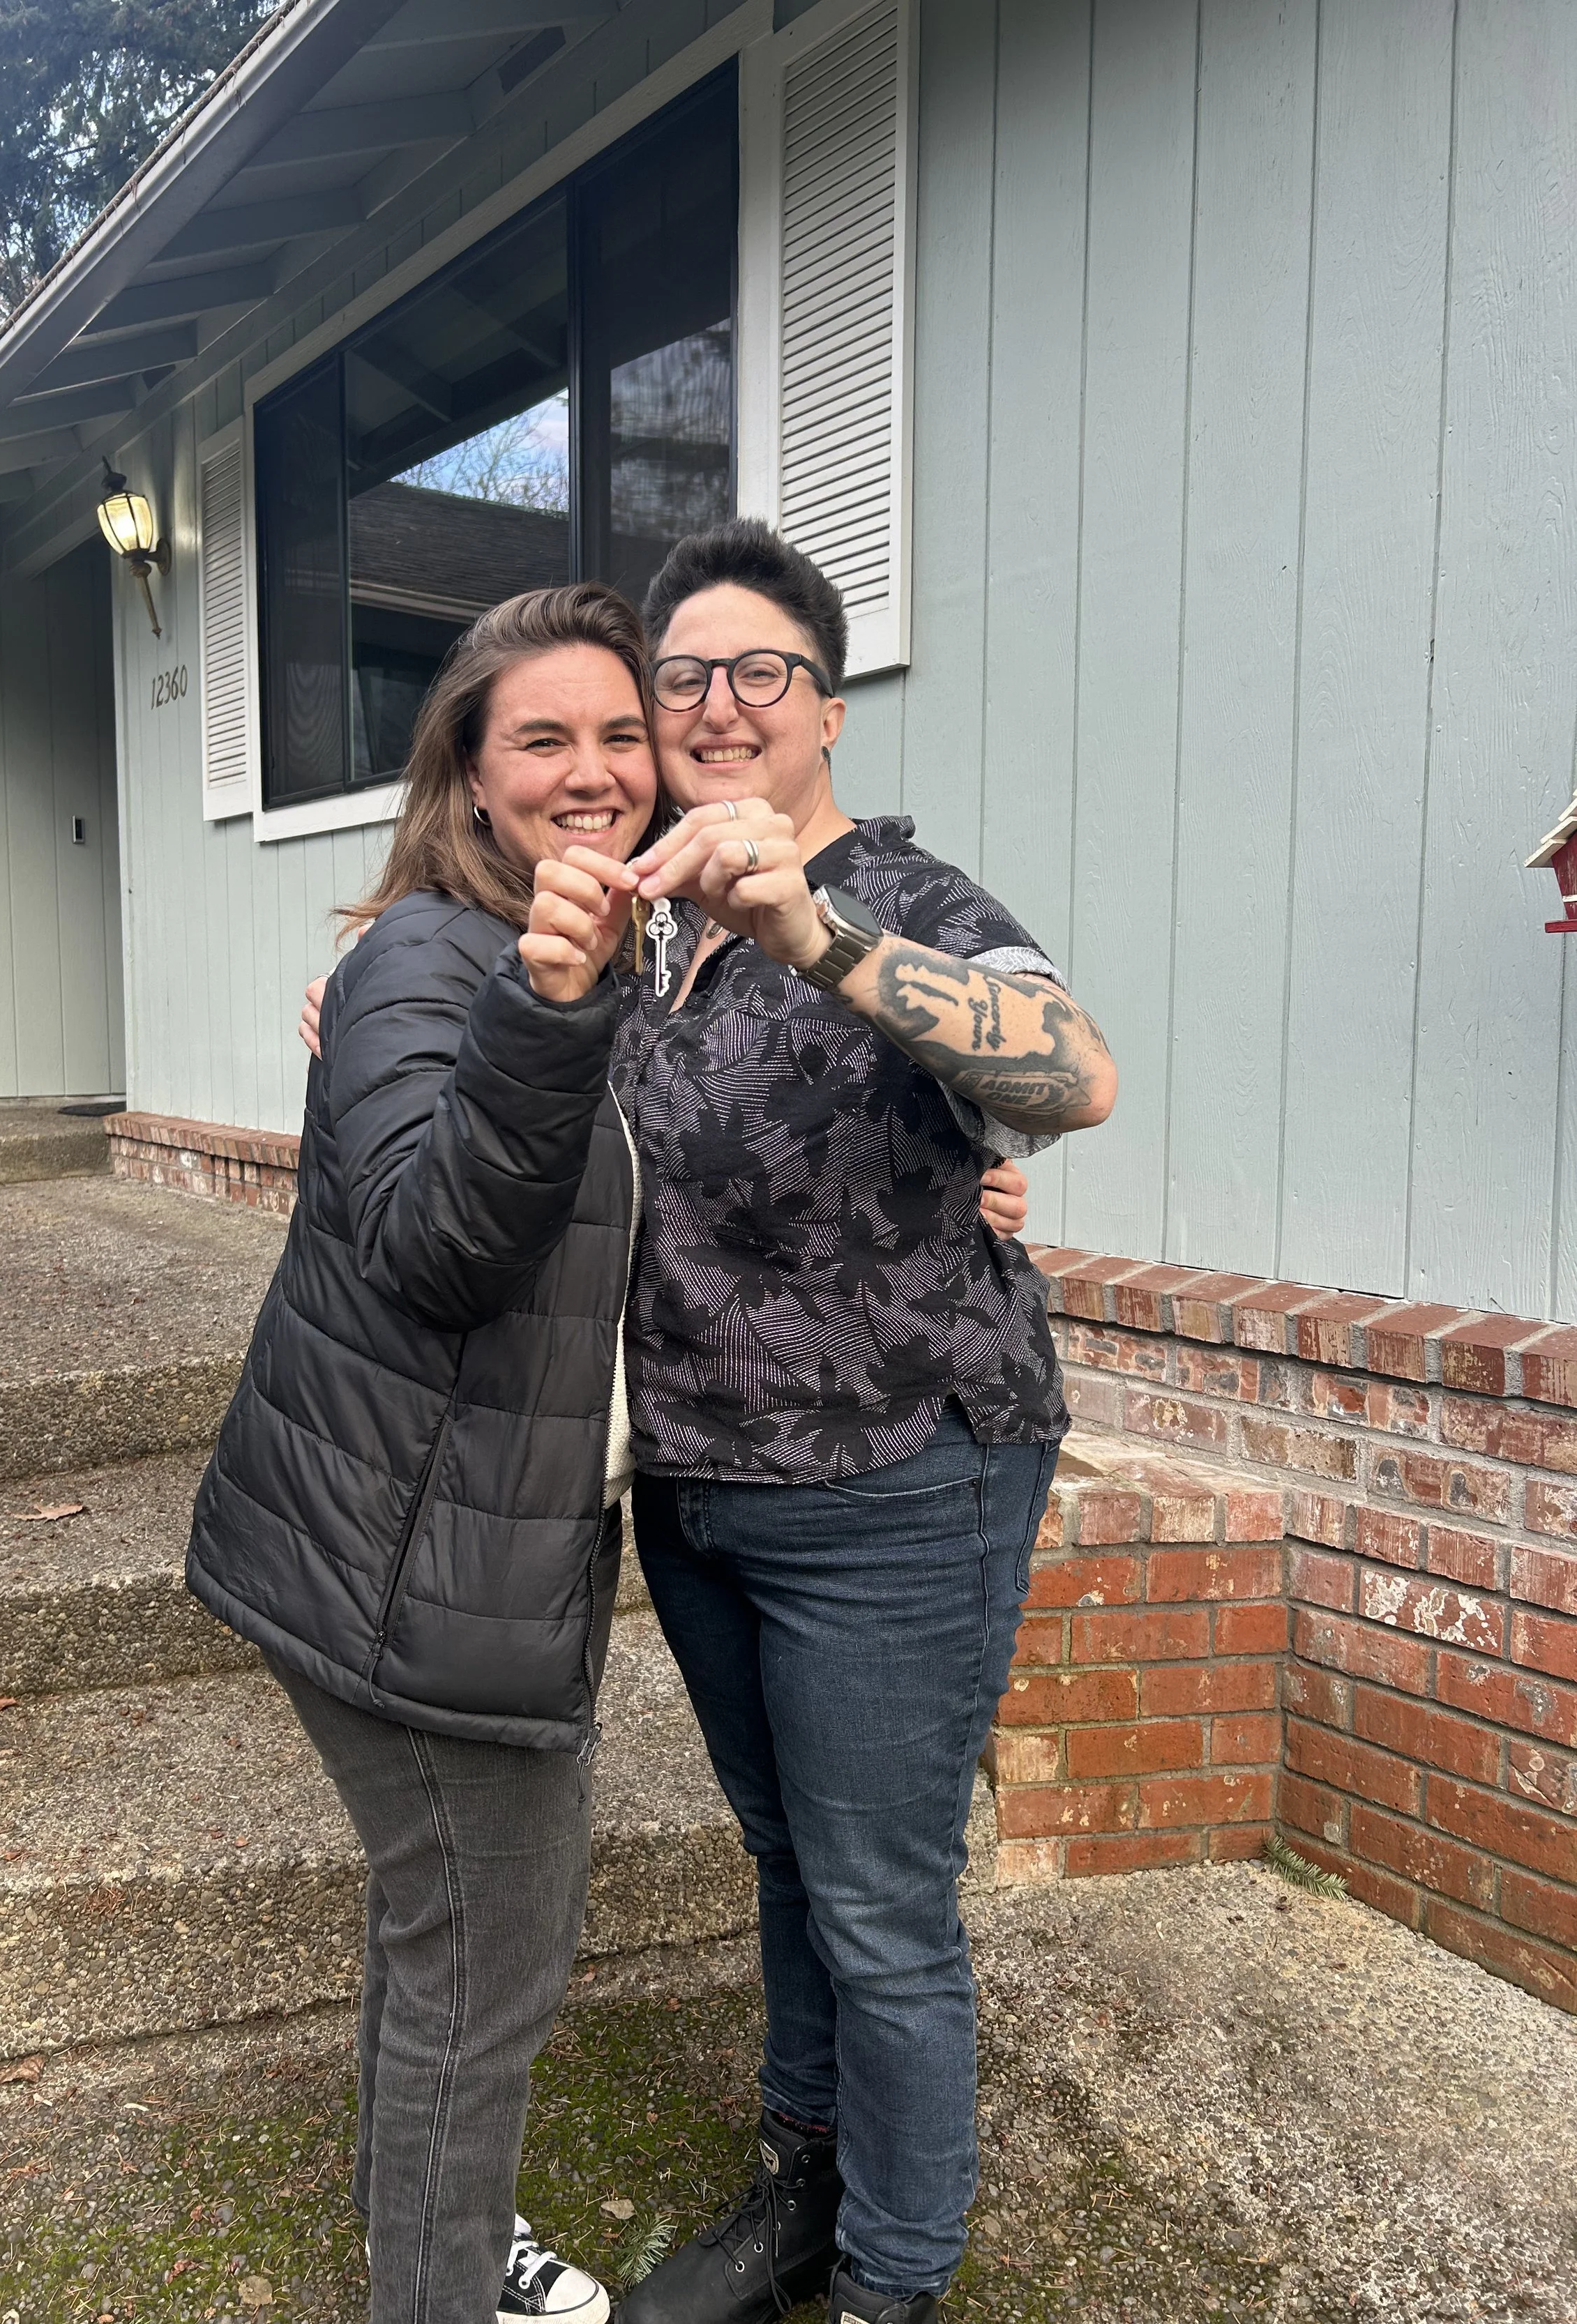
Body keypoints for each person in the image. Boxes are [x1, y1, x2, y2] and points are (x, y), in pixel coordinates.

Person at [603, 521, 1115, 2324]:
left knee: (882, 1907)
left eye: (759, 671)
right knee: (783, 1861)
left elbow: (1073, 1071)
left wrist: (811, 933)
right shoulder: (644, 935)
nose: (718, 703)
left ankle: (893, 2281)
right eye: (682, 677)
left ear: (823, 704)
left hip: (901, 1476)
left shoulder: (907, 898)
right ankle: (802, 2197)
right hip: (697, 1484)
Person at [188, 582, 668, 2324]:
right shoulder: (425, 958)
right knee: (485, 1970)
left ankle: (439, 2251)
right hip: (408, 1566)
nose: (593, 768)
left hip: (453, 1535)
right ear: (467, 775)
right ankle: (438, 2290)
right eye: (543, 736)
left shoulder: (610, 954)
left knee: (442, 1948)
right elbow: (432, 1247)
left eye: (621, 732)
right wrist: (541, 1005)